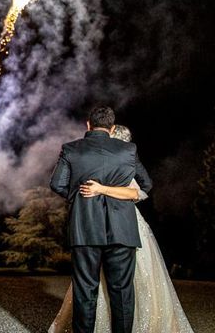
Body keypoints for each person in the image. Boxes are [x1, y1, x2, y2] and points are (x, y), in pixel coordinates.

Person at [49, 124, 194, 332]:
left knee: (106, 286)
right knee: (120, 289)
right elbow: (145, 185)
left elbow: (139, 192)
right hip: (122, 226)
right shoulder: (124, 158)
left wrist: (96, 191)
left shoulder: (120, 159)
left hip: (116, 225)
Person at [50, 107, 153, 333]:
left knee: (85, 290)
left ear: (88, 125)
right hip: (122, 230)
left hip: (85, 228)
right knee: (122, 293)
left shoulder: (71, 149)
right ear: (112, 128)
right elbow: (146, 185)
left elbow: (56, 184)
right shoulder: (128, 150)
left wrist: (80, 196)